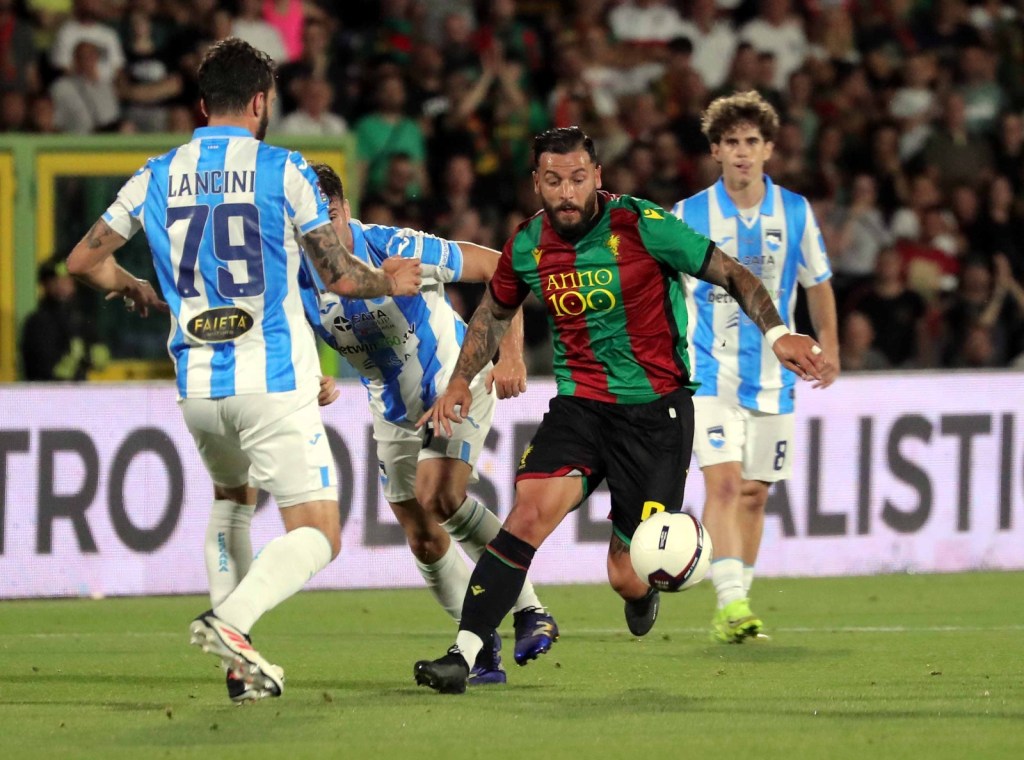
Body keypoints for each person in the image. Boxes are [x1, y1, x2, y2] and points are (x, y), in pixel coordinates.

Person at [65, 38, 422, 703]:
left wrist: (134, 285)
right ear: (261, 102)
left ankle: (239, 668)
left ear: (203, 105)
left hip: (198, 388)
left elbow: (82, 262)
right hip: (271, 378)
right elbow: (340, 276)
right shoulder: (283, 170)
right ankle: (230, 623)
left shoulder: (156, 174)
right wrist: (390, 281)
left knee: (233, 501)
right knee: (318, 531)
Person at [412, 126, 826, 694]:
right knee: (525, 517)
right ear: (536, 183)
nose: (566, 193)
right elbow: (494, 311)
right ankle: (465, 653)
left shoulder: (642, 224)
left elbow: (731, 271)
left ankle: (642, 591)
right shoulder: (528, 244)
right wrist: (461, 379)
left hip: (656, 416)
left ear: (597, 177)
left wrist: (778, 334)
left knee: (626, 575)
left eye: (577, 178)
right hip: (580, 408)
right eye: (553, 180)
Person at [303, 163, 559, 685]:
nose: (325, 232)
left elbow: (499, 270)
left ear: (346, 209)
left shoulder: (397, 247)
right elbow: (285, 338)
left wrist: (510, 354)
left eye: (332, 217)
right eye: (313, 223)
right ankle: (481, 650)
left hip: (456, 380)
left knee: (439, 494)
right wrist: (312, 378)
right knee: (423, 537)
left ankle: (530, 610)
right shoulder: (295, 274)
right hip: (392, 409)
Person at [671, 90, 839, 644]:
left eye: (751, 141)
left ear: (769, 148)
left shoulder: (795, 212)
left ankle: (737, 606)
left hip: (773, 378)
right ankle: (732, 604)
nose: (742, 152)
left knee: (755, 493)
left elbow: (818, 282)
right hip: (708, 374)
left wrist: (831, 348)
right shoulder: (689, 215)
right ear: (715, 150)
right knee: (723, 484)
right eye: (731, 142)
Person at [20, 255, 109, 381]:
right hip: (44, 391)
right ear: (45, 285)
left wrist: (82, 354)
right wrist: (79, 356)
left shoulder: (81, 320)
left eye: (66, 280)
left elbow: (101, 359)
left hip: (79, 391)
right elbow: (48, 369)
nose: (61, 285)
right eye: (55, 280)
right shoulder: (37, 323)